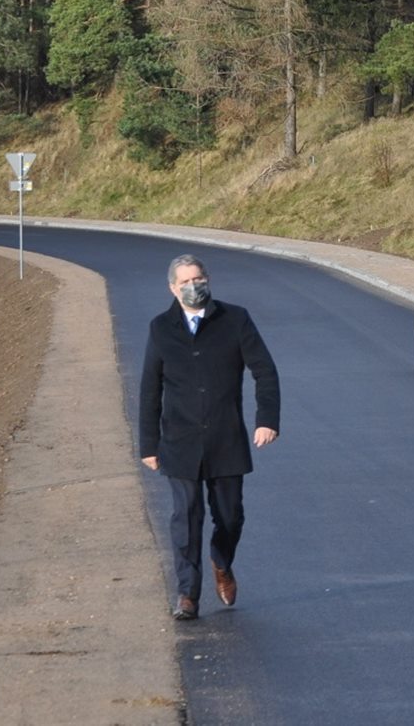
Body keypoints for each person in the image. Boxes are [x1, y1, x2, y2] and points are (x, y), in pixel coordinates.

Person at [139, 254, 281, 621]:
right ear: (172, 288)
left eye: (197, 278)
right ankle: (187, 594)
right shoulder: (160, 328)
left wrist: (267, 420)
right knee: (186, 519)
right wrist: (149, 444)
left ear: (209, 279)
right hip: (179, 441)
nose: (192, 286)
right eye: (184, 282)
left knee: (230, 516)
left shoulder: (235, 319)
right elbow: (150, 389)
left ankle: (221, 560)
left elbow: (264, 371)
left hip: (225, 438)